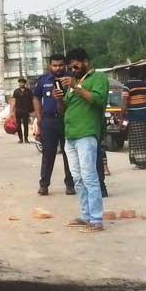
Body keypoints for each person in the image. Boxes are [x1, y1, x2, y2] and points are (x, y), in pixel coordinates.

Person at [57, 48, 108, 233]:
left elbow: (98, 100)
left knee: (89, 177)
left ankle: (96, 220)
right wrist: (60, 99)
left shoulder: (98, 78)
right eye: (71, 65)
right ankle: (85, 216)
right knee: (77, 178)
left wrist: (75, 87)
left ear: (86, 61)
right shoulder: (76, 82)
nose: (73, 68)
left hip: (86, 134)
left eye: (76, 64)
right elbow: (65, 109)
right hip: (70, 135)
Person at [33, 54, 75, 196]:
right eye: (55, 65)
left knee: (68, 153)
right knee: (48, 153)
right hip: (48, 121)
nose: (58, 68)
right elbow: (36, 97)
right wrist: (39, 117)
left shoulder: (71, 79)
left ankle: (70, 184)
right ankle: (44, 185)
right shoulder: (43, 80)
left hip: (67, 120)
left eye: (61, 65)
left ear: (65, 65)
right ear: (49, 66)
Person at [122, 77, 146, 170]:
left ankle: (140, 164)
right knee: (145, 140)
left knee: (136, 141)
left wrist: (122, 116)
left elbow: (124, 103)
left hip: (134, 116)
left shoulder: (127, 86)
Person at [10, 77, 33, 143]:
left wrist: (32, 111)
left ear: (24, 83)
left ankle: (26, 138)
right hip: (18, 110)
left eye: (22, 82)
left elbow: (32, 100)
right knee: (18, 125)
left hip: (26, 110)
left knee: (26, 125)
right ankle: (20, 139)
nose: (21, 83)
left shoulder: (28, 91)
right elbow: (13, 101)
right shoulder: (16, 91)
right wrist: (11, 111)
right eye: (20, 82)